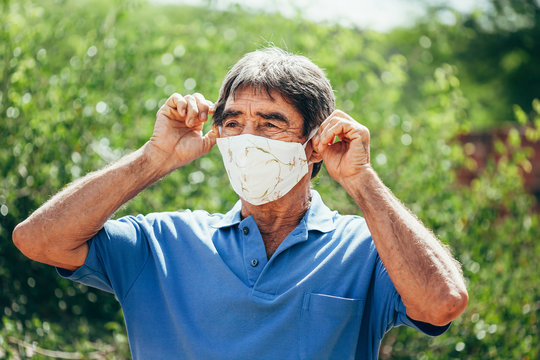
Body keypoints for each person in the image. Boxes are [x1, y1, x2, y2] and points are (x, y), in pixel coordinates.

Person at [13, 47, 468, 359]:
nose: (247, 139)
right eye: (233, 122)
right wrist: (152, 159)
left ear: (314, 145)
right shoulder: (163, 243)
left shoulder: (366, 250)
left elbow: (442, 302)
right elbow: (38, 240)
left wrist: (361, 180)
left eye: (270, 124)